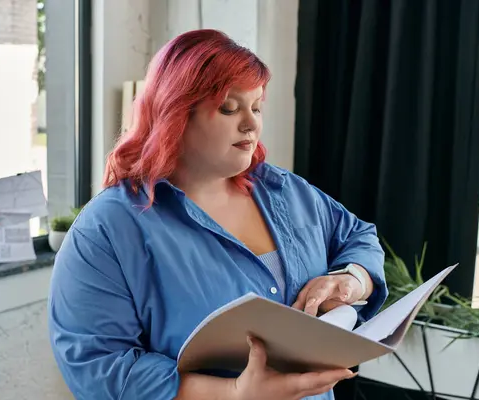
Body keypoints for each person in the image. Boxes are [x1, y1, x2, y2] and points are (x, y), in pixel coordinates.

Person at [47, 29, 388, 400]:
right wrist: (236, 393)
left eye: (256, 107)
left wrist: (351, 279)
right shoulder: (108, 229)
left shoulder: (284, 191)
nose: (251, 124)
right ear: (176, 112)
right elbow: (100, 368)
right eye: (229, 107)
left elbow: (358, 235)